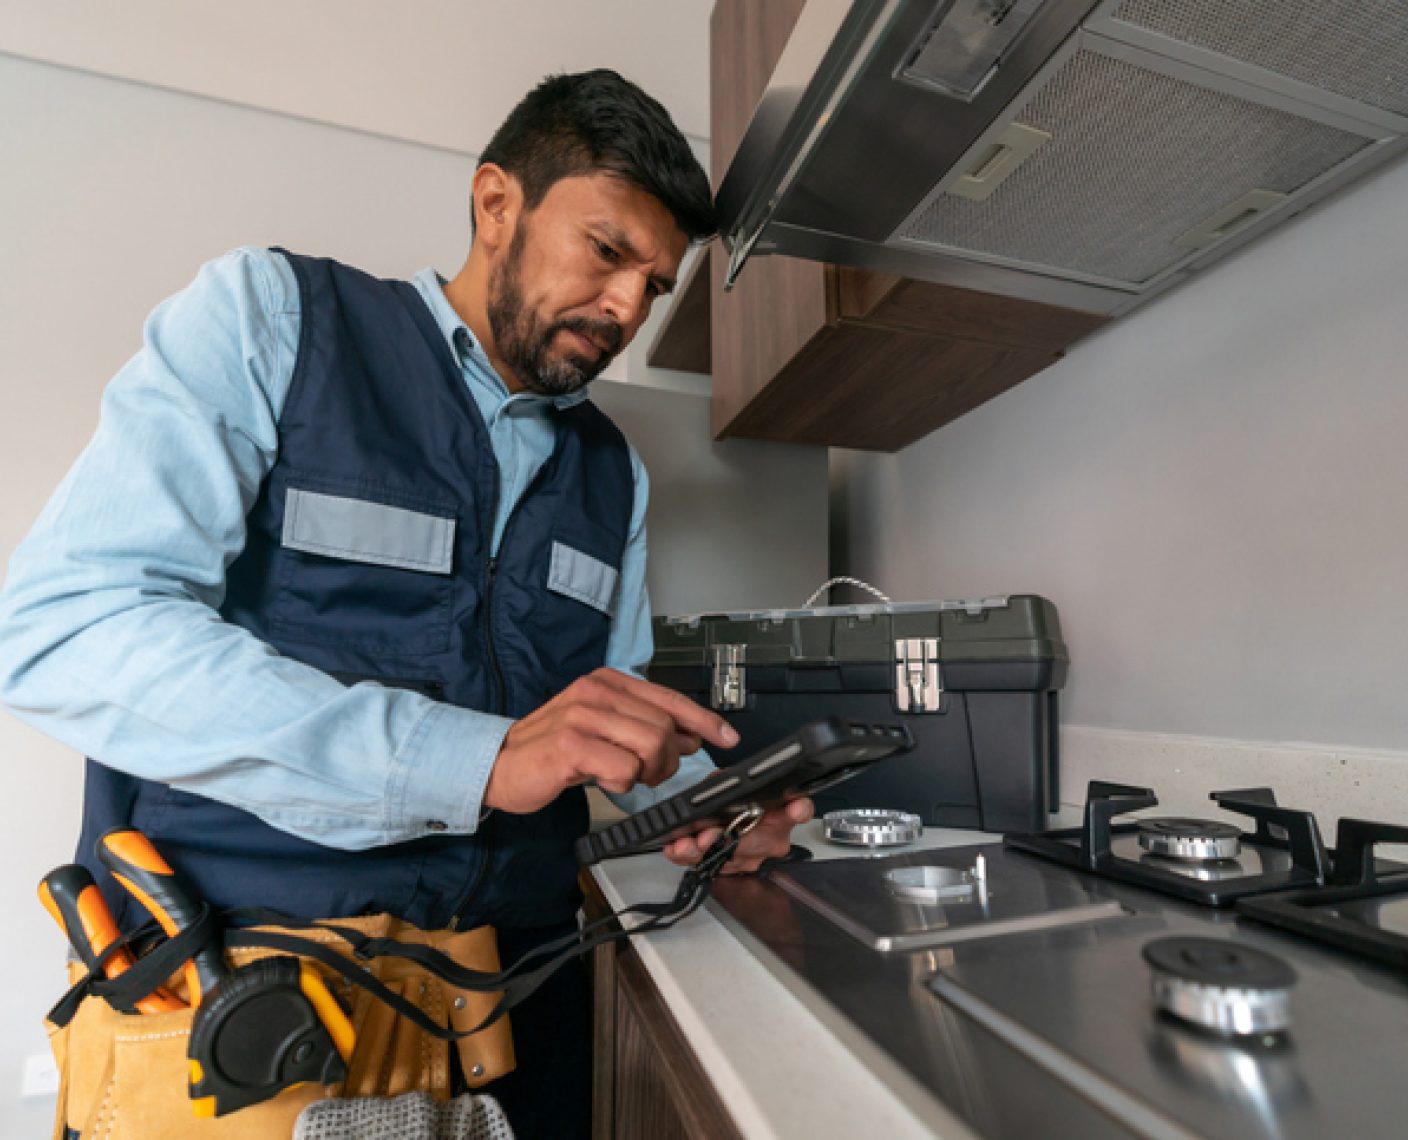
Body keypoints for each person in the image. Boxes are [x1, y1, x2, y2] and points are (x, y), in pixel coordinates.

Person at [0, 69, 811, 1138]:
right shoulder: (273, 320)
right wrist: (470, 757)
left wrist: (707, 807)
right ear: (494, 205)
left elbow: (603, 710)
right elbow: (67, 627)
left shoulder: (611, 472)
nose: (626, 310)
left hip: (521, 1016)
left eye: (654, 286)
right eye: (606, 253)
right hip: (252, 1014)